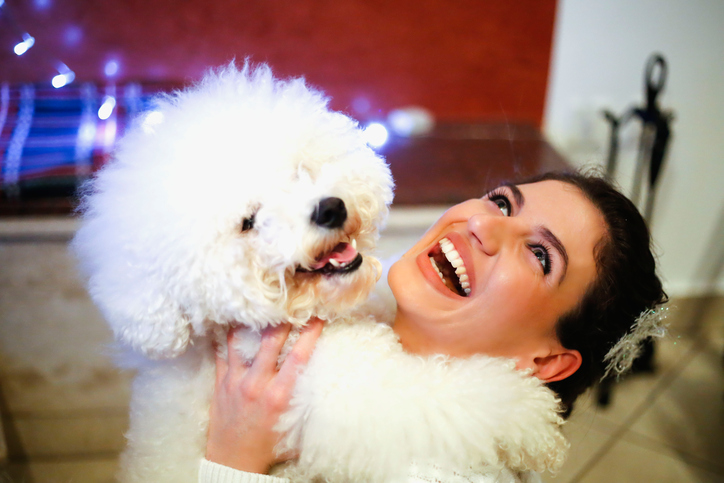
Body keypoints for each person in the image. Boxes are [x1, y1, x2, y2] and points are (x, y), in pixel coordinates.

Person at [201, 170, 668, 482]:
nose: (484, 224)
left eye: (539, 254)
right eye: (504, 203)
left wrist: (234, 460)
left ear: (546, 361)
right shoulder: (335, 310)